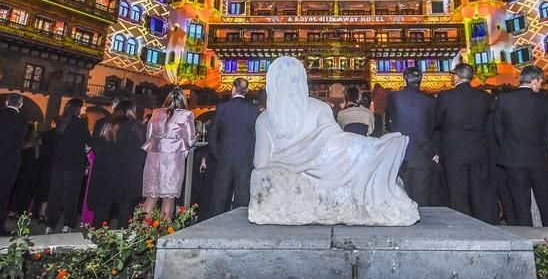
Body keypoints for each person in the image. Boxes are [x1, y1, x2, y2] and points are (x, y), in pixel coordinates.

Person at [250, 56, 418, 225]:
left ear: (271, 84)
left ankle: (379, 150)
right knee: (354, 148)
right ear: (302, 81)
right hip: (332, 163)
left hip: (326, 161)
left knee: (344, 147)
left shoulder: (264, 120)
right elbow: (337, 140)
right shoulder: (319, 107)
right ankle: (380, 149)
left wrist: (286, 160)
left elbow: (261, 164)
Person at [494, 66, 548, 227]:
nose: (541, 85)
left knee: (520, 203)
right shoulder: (544, 101)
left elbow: (498, 130)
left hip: (513, 158)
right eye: (540, 82)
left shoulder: (503, 100)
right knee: (546, 203)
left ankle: (526, 240)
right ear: (534, 81)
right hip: (539, 157)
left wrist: (509, 145)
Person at [435, 64, 495, 223]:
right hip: (479, 150)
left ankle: (462, 226)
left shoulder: (446, 96)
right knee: (479, 192)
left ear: (456, 76)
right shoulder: (485, 97)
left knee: (457, 193)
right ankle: (483, 225)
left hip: (454, 150)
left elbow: (437, 122)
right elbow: (490, 125)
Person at [202, 78, 259, 220]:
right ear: (246, 91)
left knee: (219, 200)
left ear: (233, 89)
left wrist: (218, 155)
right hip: (245, 160)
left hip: (225, 159)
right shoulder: (253, 110)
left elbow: (212, 136)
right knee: (242, 201)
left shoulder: (222, 108)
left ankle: (215, 230)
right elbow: (258, 136)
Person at [89, 100, 146, 228]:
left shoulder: (101, 124)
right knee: (125, 215)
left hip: (105, 174)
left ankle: (97, 242)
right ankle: (123, 245)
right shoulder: (136, 127)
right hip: (127, 175)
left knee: (101, 214)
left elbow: (96, 148)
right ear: (131, 111)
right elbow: (142, 152)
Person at [385, 67, 436, 206]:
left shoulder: (394, 97)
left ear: (405, 78)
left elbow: (388, 124)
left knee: (401, 193)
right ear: (421, 78)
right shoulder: (431, 101)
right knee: (422, 195)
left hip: (401, 151)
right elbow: (434, 126)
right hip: (422, 152)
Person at [142, 88, 196, 220]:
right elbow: (190, 139)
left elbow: (148, 135)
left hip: (154, 157)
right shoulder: (186, 114)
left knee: (151, 196)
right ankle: (163, 232)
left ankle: (141, 231)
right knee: (169, 198)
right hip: (173, 158)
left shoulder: (155, 113)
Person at [46, 99, 91, 234]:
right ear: (77, 108)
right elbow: (88, 144)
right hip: (74, 164)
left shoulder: (60, 122)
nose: (85, 108)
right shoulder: (82, 123)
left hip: (59, 164)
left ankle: (50, 224)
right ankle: (68, 224)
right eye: (83, 106)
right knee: (71, 195)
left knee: (55, 194)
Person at [0, 94, 28, 236]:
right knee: (4, 194)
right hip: (10, 161)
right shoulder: (22, 120)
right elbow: (19, 141)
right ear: (20, 104)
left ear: (6, 102)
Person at [35, 117, 59, 223]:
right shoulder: (61, 135)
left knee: (42, 187)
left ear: (53, 123)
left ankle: (38, 211)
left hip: (43, 163)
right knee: (51, 189)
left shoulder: (46, 134)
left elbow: (40, 145)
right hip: (55, 165)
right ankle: (45, 212)